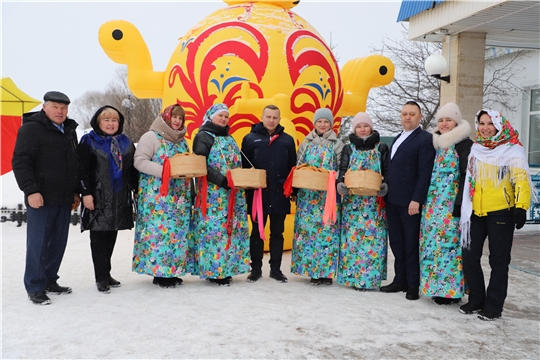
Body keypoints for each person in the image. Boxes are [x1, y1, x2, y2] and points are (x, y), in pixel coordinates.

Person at [459, 109, 536, 321]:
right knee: (469, 256)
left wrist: (521, 206)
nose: (485, 128)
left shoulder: (512, 149)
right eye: (481, 123)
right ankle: (476, 299)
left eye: (489, 124)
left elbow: (520, 179)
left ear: (498, 126)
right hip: (476, 211)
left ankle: (493, 306)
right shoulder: (477, 149)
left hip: (501, 212)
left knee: (498, 260)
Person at [12, 91, 80, 305]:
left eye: (63, 108)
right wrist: (31, 190)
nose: (60, 112)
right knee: (38, 243)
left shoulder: (69, 131)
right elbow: (21, 161)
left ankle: (50, 279)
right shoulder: (31, 129)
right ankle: (35, 286)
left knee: (58, 243)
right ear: (44, 107)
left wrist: (75, 192)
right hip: (40, 197)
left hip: (63, 197)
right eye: (55, 107)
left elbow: (73, 165)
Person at [132, 104, 194, 288]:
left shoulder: (182, 141)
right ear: (166, 117)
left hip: (179, 198)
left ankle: (173, 271)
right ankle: (160, 273)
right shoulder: (151, 137)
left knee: (176, 235)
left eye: (180, 118)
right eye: (174, 117)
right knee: (158, 235)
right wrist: (166, 171)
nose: (177, 121)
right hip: (157, 198)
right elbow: (139, 161)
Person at [78, 106, 138, 294]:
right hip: (97, 197)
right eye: (107, 120)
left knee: (111, 234)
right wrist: (85, 193)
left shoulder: (126, 142)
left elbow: (133, 169)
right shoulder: (89, 141)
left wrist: (137, 189)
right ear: (98, 122)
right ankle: (100, 277)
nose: (111, 124)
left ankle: (107, 272)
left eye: (114, 120)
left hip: (119, 197)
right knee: (98, 236)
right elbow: (82, 170)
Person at [418, 103, 472, 304]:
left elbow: (467, 176)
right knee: (432, 247)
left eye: (448, 119)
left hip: (451, 207)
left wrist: (459, 204)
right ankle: (434, 288)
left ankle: (450, 292)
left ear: (456, 121)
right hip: (432, 207)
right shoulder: (436, 144)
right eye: (441, 120)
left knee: (450, 248)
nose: (444, 123)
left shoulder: (464, 144)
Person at [381, 100, 435, 300]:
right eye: (404, 113)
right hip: (393, 200)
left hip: (410, 203)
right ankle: (400, 279)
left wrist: (417, 199)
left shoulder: (424, 139)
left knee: (411, 243)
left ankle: (413, 284)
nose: (407, 117)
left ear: (420, 117)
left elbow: (424, 173)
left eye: (412, 114)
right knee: (396, 242)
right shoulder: (397, 138)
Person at [192, 103, 250, 286]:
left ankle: (227, 268)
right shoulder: (203, 136)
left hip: (232, 192)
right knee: (215, 231)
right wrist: (222, 181)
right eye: (220, 116)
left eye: (226, 116)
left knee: (230, 229)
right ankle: (214, 270)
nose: (224, 119)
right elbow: (200, 165)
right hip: (213, 193)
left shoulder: (229, 137)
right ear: (211, 117)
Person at [241, 105, 296, 283]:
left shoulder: (287, 140)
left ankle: (276, 269)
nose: (271, 120)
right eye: (268, 117)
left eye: (275, 117)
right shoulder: (250, 139)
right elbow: (244, 166)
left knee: (277, 233)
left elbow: (292, 168)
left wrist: (292, 191)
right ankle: (255, 269)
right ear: (262, 117)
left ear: (279, 119)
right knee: (257, 233)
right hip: (258, 195)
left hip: (280, 194)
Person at [291, 108, 344, 285]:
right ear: (314, 123)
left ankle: (326, 273)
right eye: (319, 121)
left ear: (331, 124)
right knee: (308, 234)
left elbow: (341, 167)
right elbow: (298, 165)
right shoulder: (306, 142)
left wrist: (334, 178)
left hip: (327, 196)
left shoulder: (338, 144)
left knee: (327, 233)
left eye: (326, 122)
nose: (322, 125)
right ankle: (311, 270)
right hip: (308, 197)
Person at [336, 112, 389, 291]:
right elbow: (342, 170)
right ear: (355, 129)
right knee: (353, 240)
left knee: (372, 241)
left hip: (373, 204)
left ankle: (370, 278)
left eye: (365, 125)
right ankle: (352, 277)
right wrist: (340, 184)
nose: (362, 129)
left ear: (371, 127)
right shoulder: (348, 148)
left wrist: (385, 185)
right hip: (353, 203)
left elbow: (387, 171)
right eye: (358, 126)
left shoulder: (381, 147)